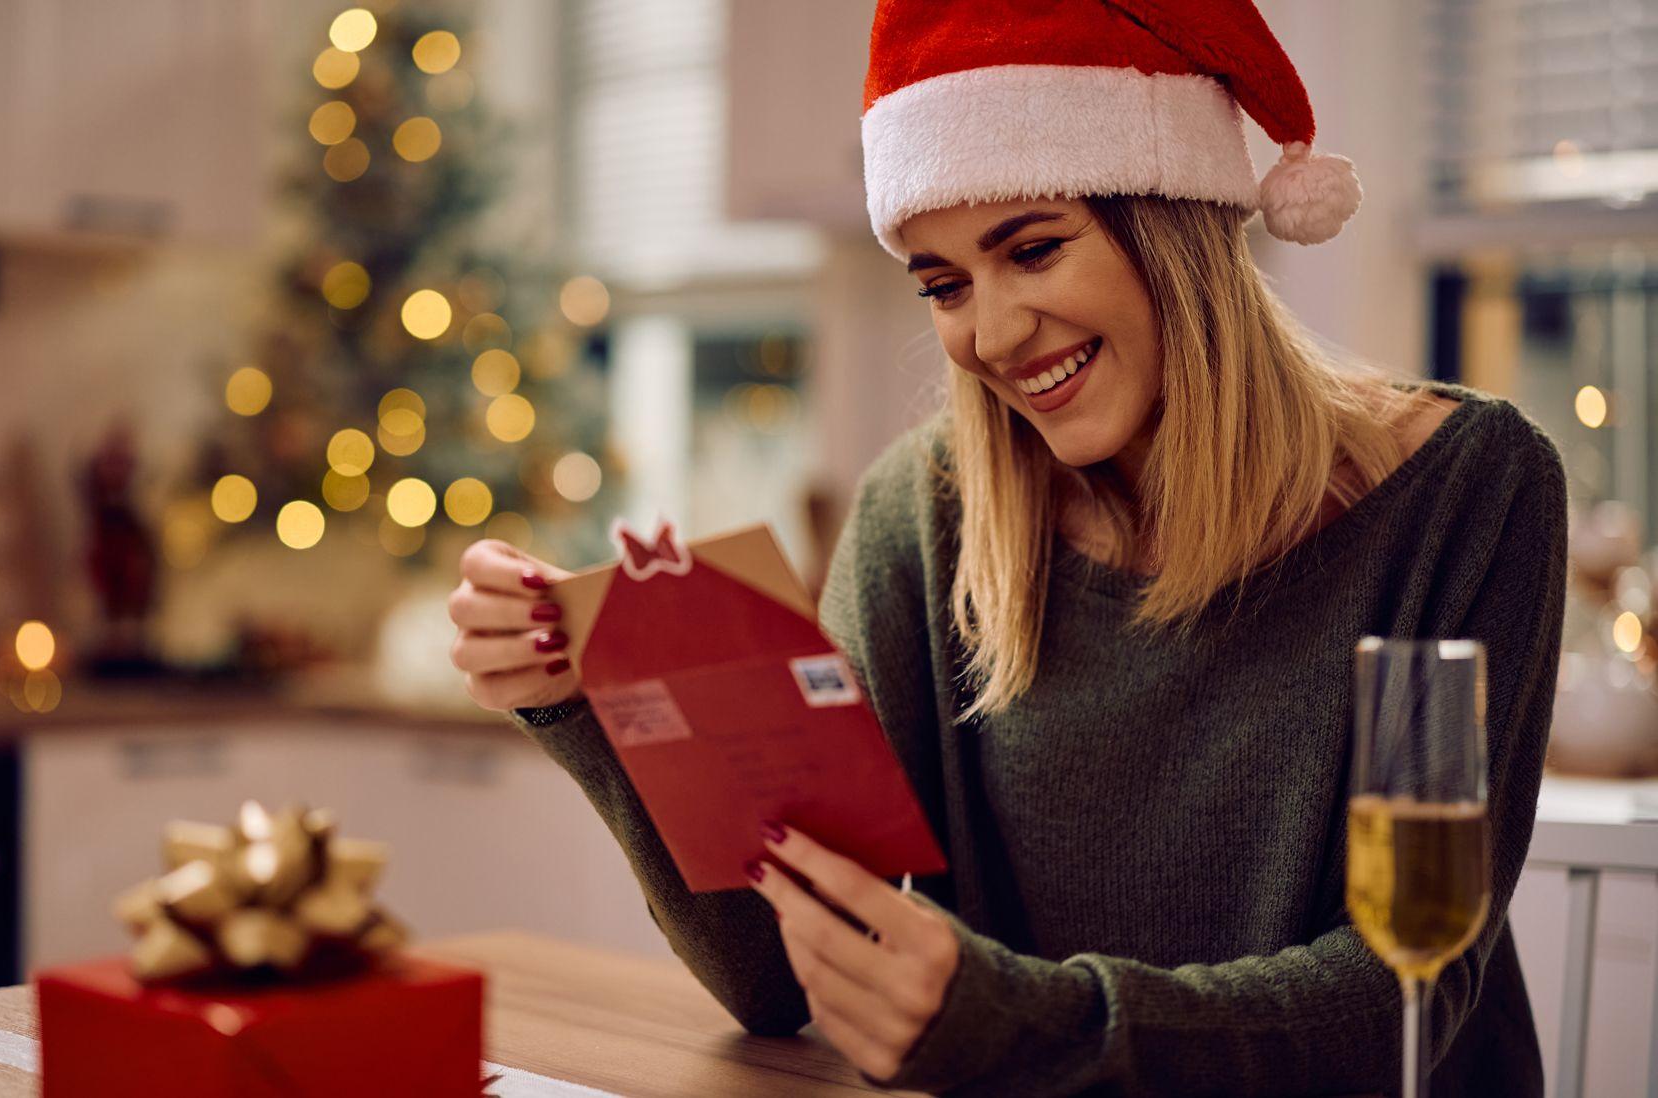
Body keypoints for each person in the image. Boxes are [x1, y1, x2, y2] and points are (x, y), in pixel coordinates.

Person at [448, 1, 1567, 1093]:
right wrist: (576, 697)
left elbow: (1403, 991)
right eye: (941, 283)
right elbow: (780, 973)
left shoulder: (1464, 490)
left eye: (1032, 249)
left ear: (1170, 218)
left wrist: (1023, 1026)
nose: (988, 334)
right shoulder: (921, 518)